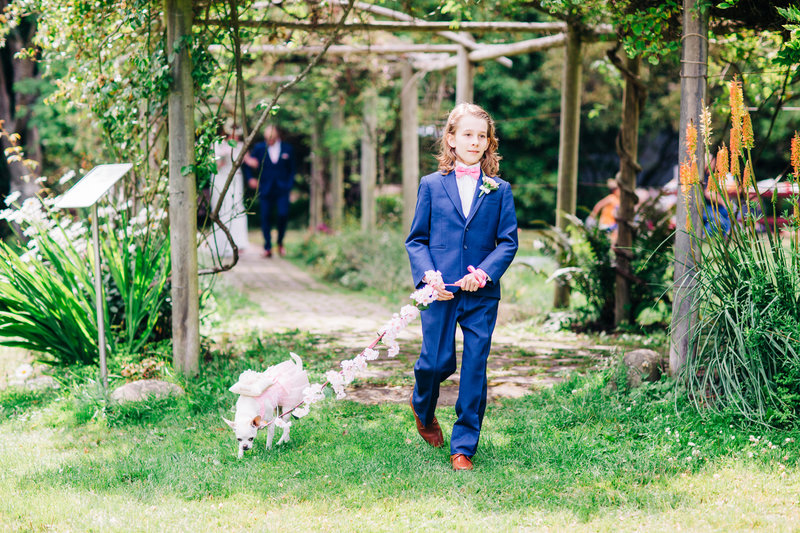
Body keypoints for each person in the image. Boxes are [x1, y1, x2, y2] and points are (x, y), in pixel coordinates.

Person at [405, 102, 519, 471]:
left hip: (481, 294)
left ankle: (463, 446)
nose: (474, 141)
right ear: (451, 139)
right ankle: (422, 407)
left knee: (474, 366)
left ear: (489, 143)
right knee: (435, 363)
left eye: (481, 136)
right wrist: (429, 276)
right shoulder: (431, 186)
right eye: (467, 134)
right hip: (439, 291)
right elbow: (416, 240)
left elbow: (507, 242)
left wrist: (483, 273)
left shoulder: (499, 190)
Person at [244, 125, 296, 258]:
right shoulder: (260, 148)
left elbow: (292, 170)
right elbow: (248, 164)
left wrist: (289, 186)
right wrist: (250, 179)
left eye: (271, 138)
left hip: (282, 189)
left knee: (282, 215)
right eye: (267, 138)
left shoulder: (287, 149)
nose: (269, 140)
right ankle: (267, 246)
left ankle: (280, 242)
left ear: (277, 136)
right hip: (265, 188)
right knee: (265, 217)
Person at [208, 125, 250, 259]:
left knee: (236, 207)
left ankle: (238, 242)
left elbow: (247, 161)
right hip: (220, 180)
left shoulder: (239, 145)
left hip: (235, 179)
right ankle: (221, 245)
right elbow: (215, 167)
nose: (236, 137)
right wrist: (222, 155)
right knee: (222, 209)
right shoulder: (217, 145)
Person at [588, 177, 621, 243]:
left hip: (613, 224)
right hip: (606, 223)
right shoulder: (611, 198)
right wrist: (592, 215)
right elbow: (599, 205)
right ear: (615, 190)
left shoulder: (619, 201)